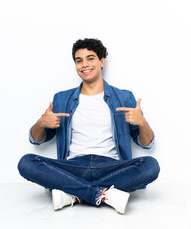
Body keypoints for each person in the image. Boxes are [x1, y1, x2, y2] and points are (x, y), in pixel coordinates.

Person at [18, 38, 160, 214]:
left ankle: (73, 193)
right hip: (73, 167)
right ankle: (101, 194)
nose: (84, 64)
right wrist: (41, 123)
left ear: (101, 62)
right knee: (26, 163)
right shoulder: (61, 99)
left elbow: (147, 143)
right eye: (79, 60)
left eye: (90, 58)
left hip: (110, 167)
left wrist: (142, 123)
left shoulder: (124, 97)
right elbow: (36, 140)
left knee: (151, 165)